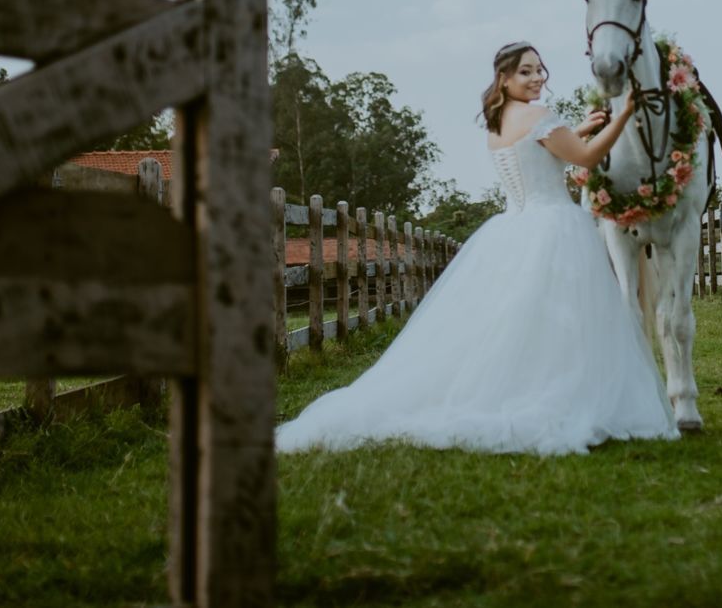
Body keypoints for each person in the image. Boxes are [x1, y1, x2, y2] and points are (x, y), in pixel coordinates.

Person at [275, 41, 679, 455]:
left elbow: (541, 155)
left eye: (541, 70)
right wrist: (625, 112)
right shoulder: (540, 116)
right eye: (526, 71)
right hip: (554, 227)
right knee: (561, 320)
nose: (538, 77)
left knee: (517, 321)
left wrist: (577, 129)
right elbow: (588, 159)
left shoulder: (498, 122)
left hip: (513, 227)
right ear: (504, 77)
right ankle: (563, 395)